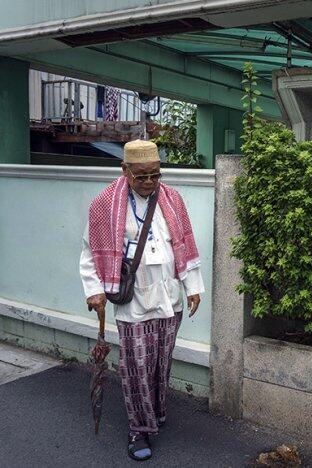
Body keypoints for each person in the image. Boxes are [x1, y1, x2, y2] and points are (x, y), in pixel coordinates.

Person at [79, 139, 204, 461]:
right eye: (141, 176)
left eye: (155, 175)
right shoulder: (105, 203)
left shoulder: (172, 199)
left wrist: (192, 286)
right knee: (136, 367)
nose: (149, 182)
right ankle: (139, 429)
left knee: (161, 364)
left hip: (168, 297)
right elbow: (89, 252)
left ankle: (156, 412)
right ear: (125, 170)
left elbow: (184, 245)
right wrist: (94, 289)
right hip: (132, 300)